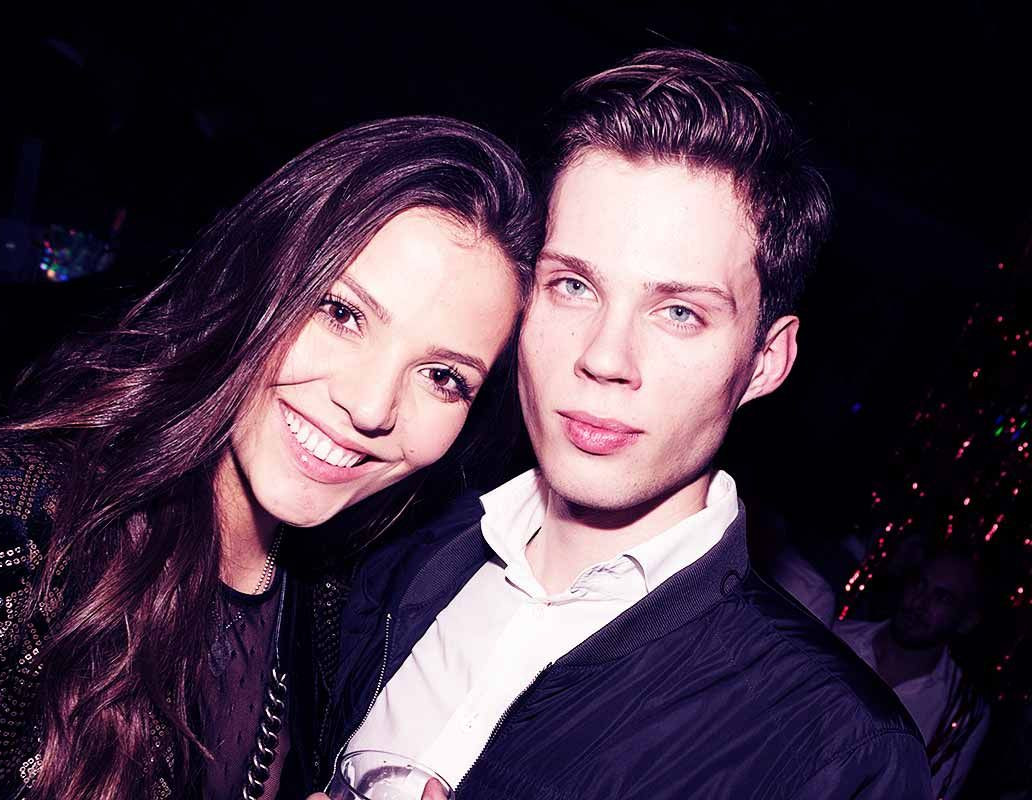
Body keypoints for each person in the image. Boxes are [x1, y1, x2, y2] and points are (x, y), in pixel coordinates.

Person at [0, 116, 542, 800]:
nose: (371, 406)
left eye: (443, 377)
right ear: (256, 281)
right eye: (341, 312)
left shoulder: (338, 603)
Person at [310, 49, 931, 799]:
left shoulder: (835, 750)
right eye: (574, 285)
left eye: (680, 313)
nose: (605, 357)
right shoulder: (380, 551)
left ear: (765, 361)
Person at [835, 550, 991, 799]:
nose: (918, 602)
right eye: (919, 583)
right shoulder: (837, 638)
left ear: (967, 621)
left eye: (941, 597)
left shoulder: (959, 712)